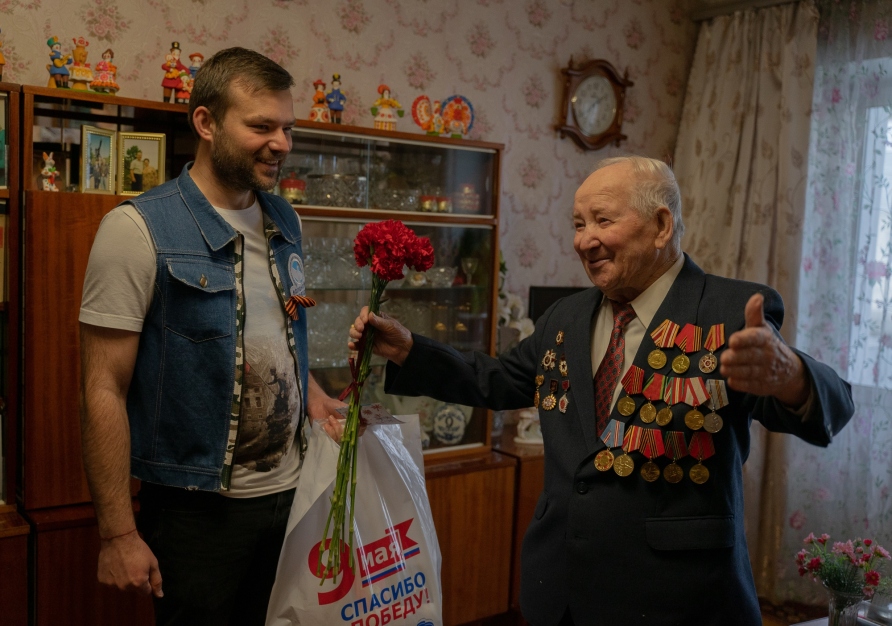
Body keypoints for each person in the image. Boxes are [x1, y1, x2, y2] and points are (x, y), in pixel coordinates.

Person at [349, 156, 855, 626]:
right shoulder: (565, 317)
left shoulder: (730, 311)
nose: (583, 241)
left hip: (679, 599)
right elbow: (500, 378)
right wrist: (410, 350)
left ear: (661, 226)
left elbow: (833, 403)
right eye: (578, 224)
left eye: (602, 220)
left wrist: (791, 375)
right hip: (562, 587)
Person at [79, 47, 345, 625]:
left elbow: (275, 337)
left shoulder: (286, 220)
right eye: (261, 126)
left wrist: (314, 395)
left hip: (294, 498)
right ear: (205, 122)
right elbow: (102, 389)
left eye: (288, 128)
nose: (282, 143)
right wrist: (117, 534)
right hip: (197, 516)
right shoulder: (135, 229)